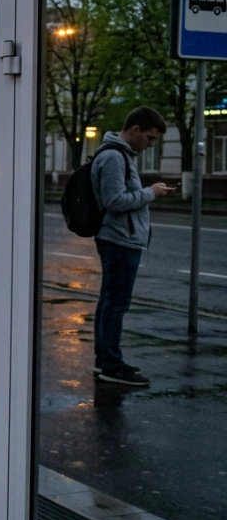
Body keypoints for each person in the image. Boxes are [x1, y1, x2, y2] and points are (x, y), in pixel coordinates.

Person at [91, 106, 175, 386]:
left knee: (109, 301)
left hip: (118, 238)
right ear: (135, 130)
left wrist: (147, 191)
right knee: (115, 304)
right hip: (119, 239)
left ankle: (105, 360)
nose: (151, 145)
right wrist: (150, 193)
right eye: (150, 138)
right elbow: (115, 201)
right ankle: (111, 366)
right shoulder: (115, 157)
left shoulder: (119, 155)